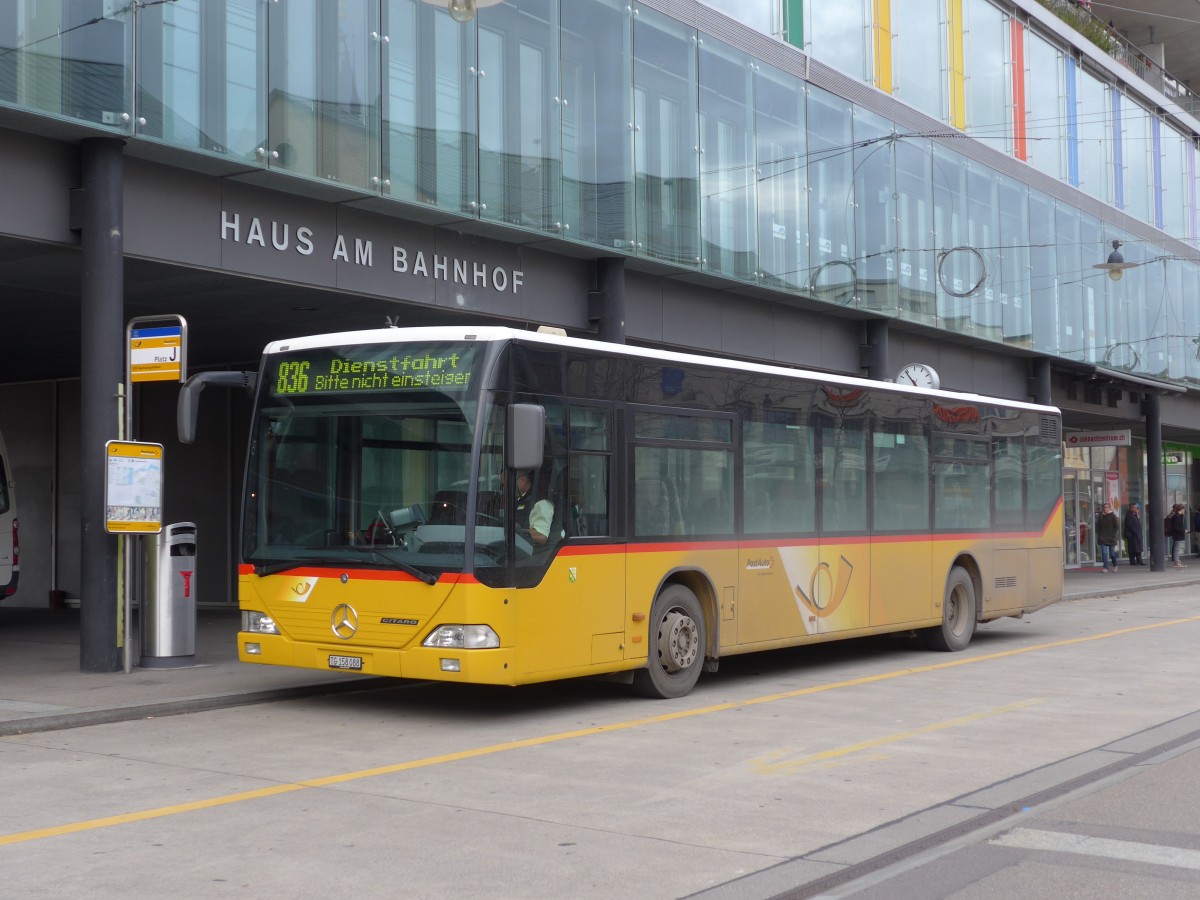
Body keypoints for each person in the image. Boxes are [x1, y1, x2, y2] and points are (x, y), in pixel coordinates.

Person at [1095, 502, 1120, 573]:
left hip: (1111, 537)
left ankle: (1115, 565)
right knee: (1104, 553)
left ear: (1109, 508)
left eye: (1107, 507)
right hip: (1103, 538)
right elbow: (1098, 526)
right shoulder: (1101, 516)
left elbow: (1116, 527)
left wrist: (1114, 535)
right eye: (1104, 507)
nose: (1105, 509)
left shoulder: (1113, 516)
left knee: (1112, 553)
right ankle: (1105, 567)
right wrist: (1100, 535)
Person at [1168, 503, 1188, 569]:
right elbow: (1176, 527)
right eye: (1183, 509)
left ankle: (1178, 561)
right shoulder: (1176, 516)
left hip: (1178, 534)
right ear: (1181, 509)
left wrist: (1182, 515)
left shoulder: (1179, 516)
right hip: (1177, 535)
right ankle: (1176, 562)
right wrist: (1183, 530)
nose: (1184, 510)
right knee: (1176, 549)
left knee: (1177, 548)